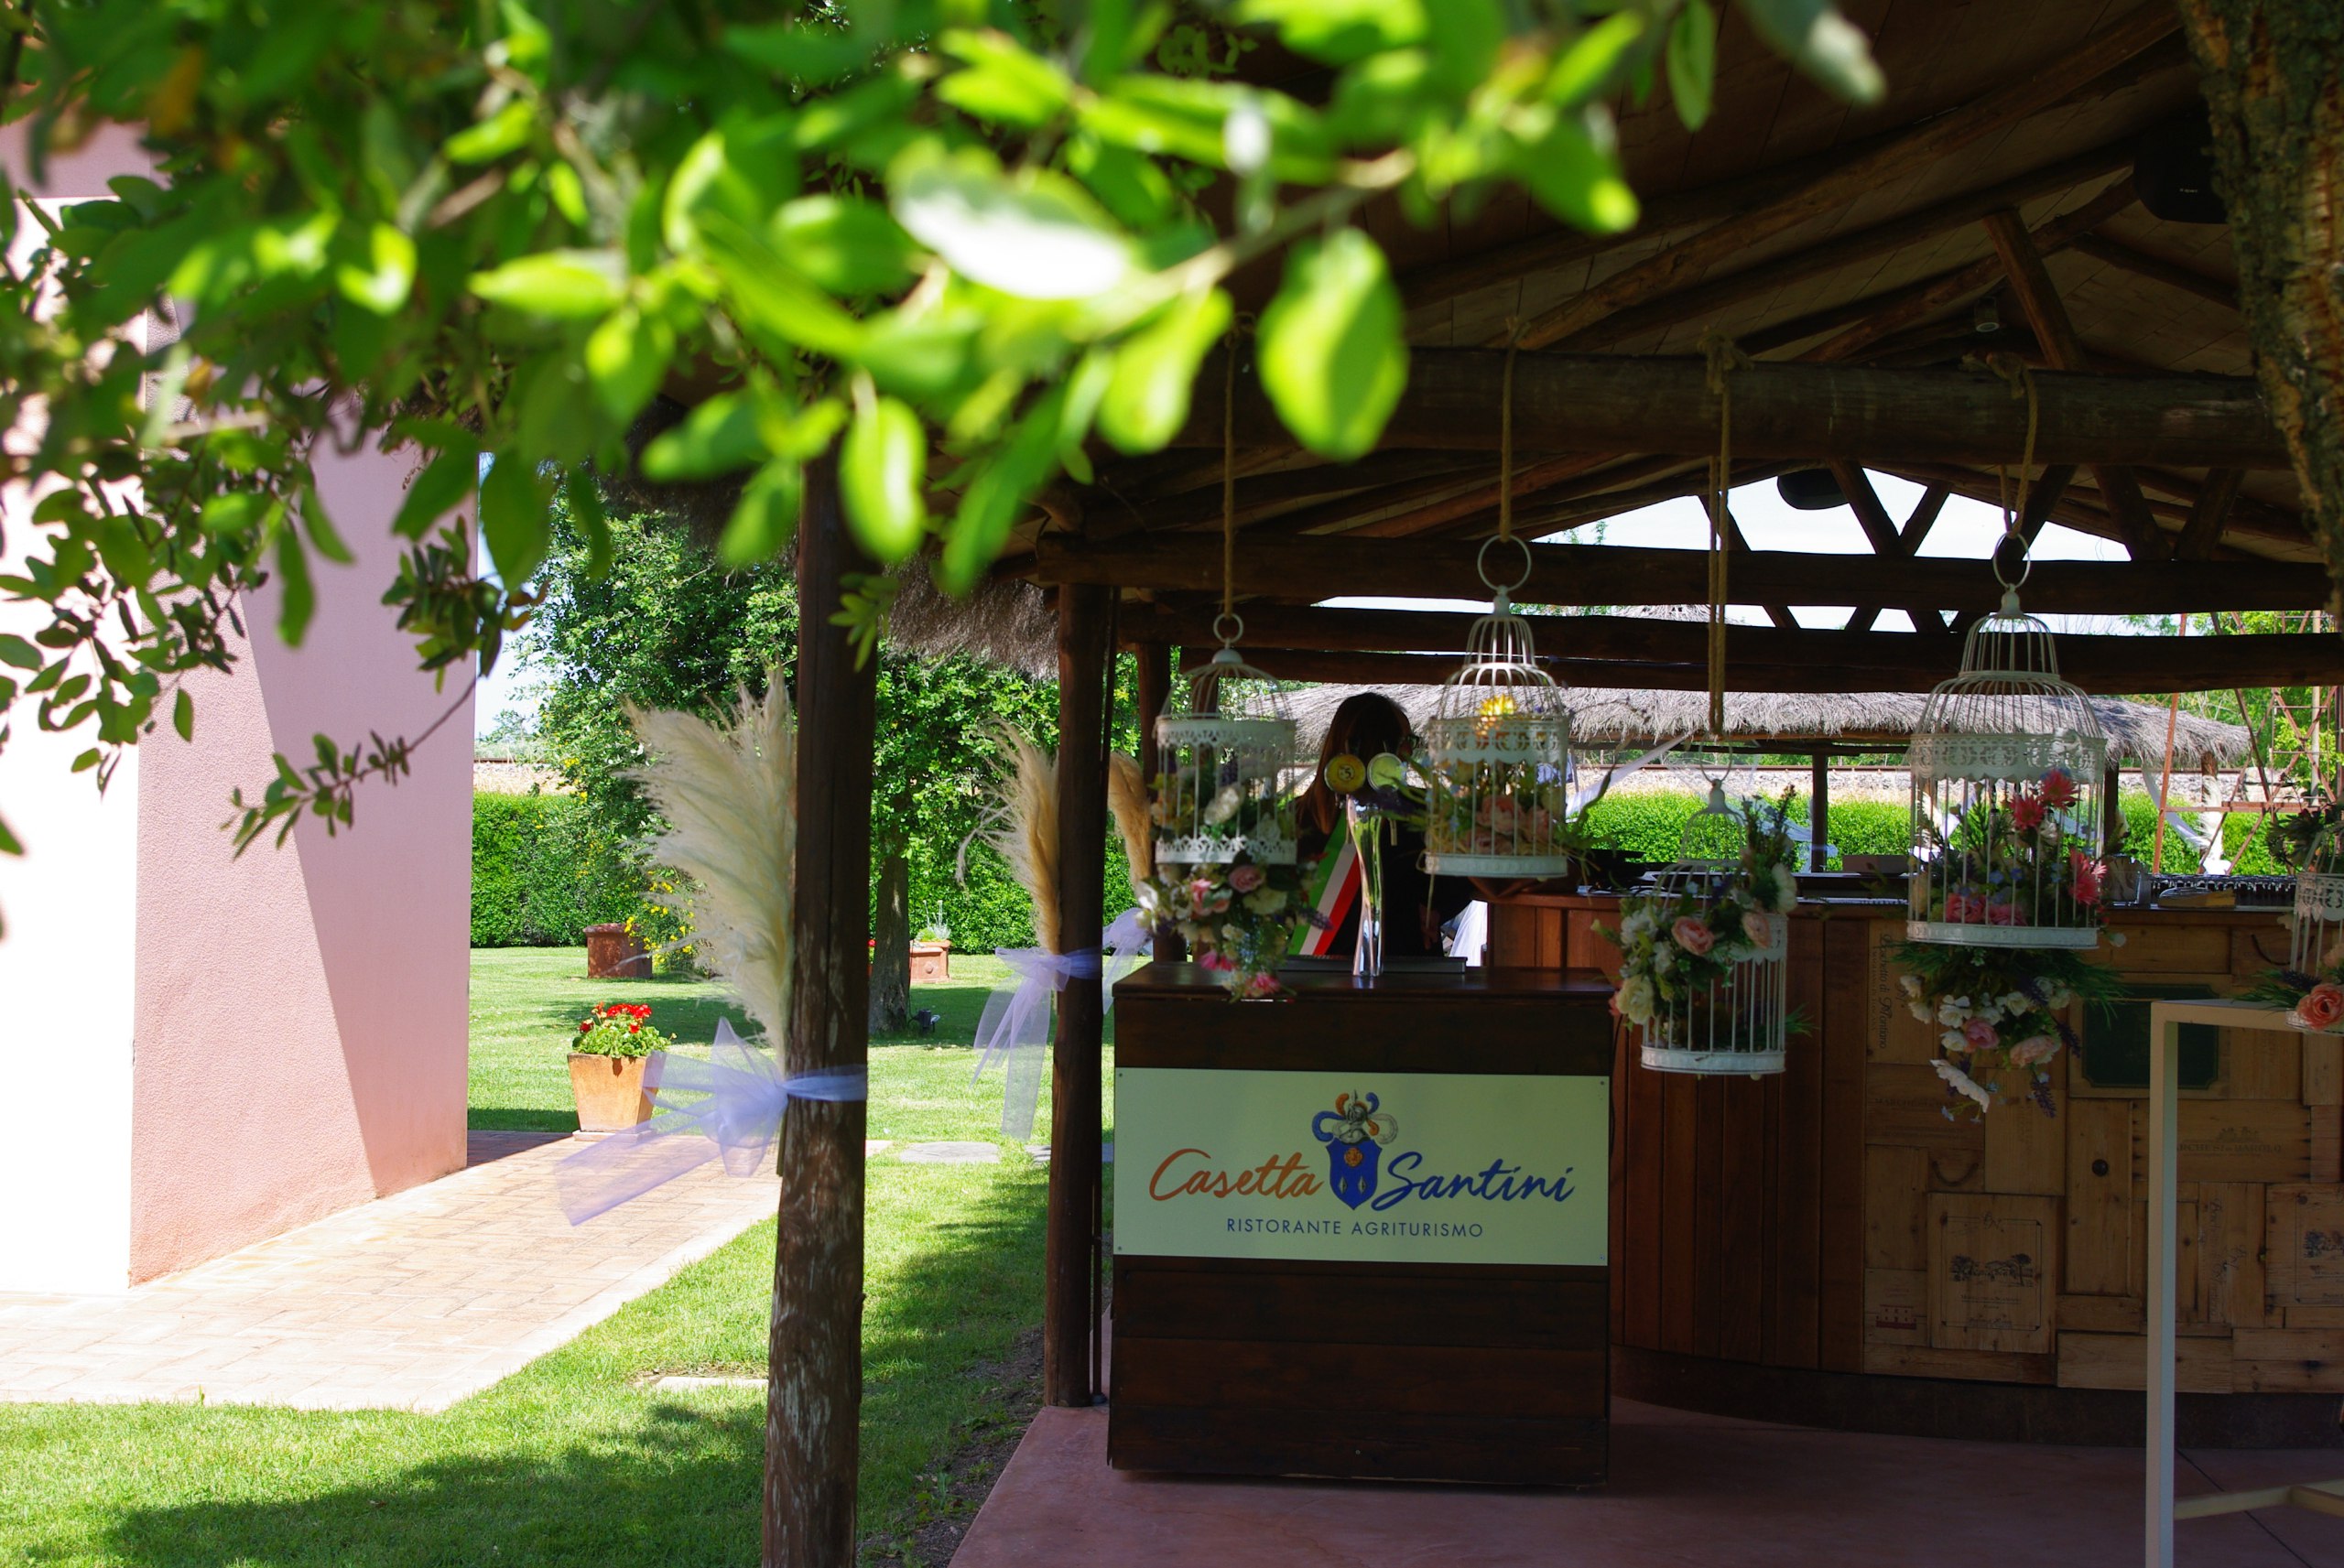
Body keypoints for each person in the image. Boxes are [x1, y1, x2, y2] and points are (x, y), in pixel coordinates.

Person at [1293, 692, 1471, 961]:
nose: (1410, 752)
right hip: (1403, 966)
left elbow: (1462, 875)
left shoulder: (1294, 815)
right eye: (1406, 741)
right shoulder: (1425, 808)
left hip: (1318, 970)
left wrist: (1436, 908)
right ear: (1381, 747)